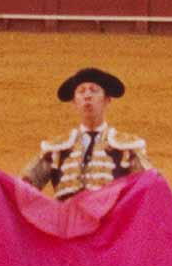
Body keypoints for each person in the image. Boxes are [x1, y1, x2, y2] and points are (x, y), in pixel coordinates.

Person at [23, 68, 153, 200]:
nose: (87, 96)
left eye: (94, 90)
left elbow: (150, 188)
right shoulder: (56, 148)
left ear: (107, 99)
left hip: (112, 219)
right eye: (81, 91)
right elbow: (24, 187)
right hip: (68, 219)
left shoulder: (127, 147)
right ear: (74, 102)